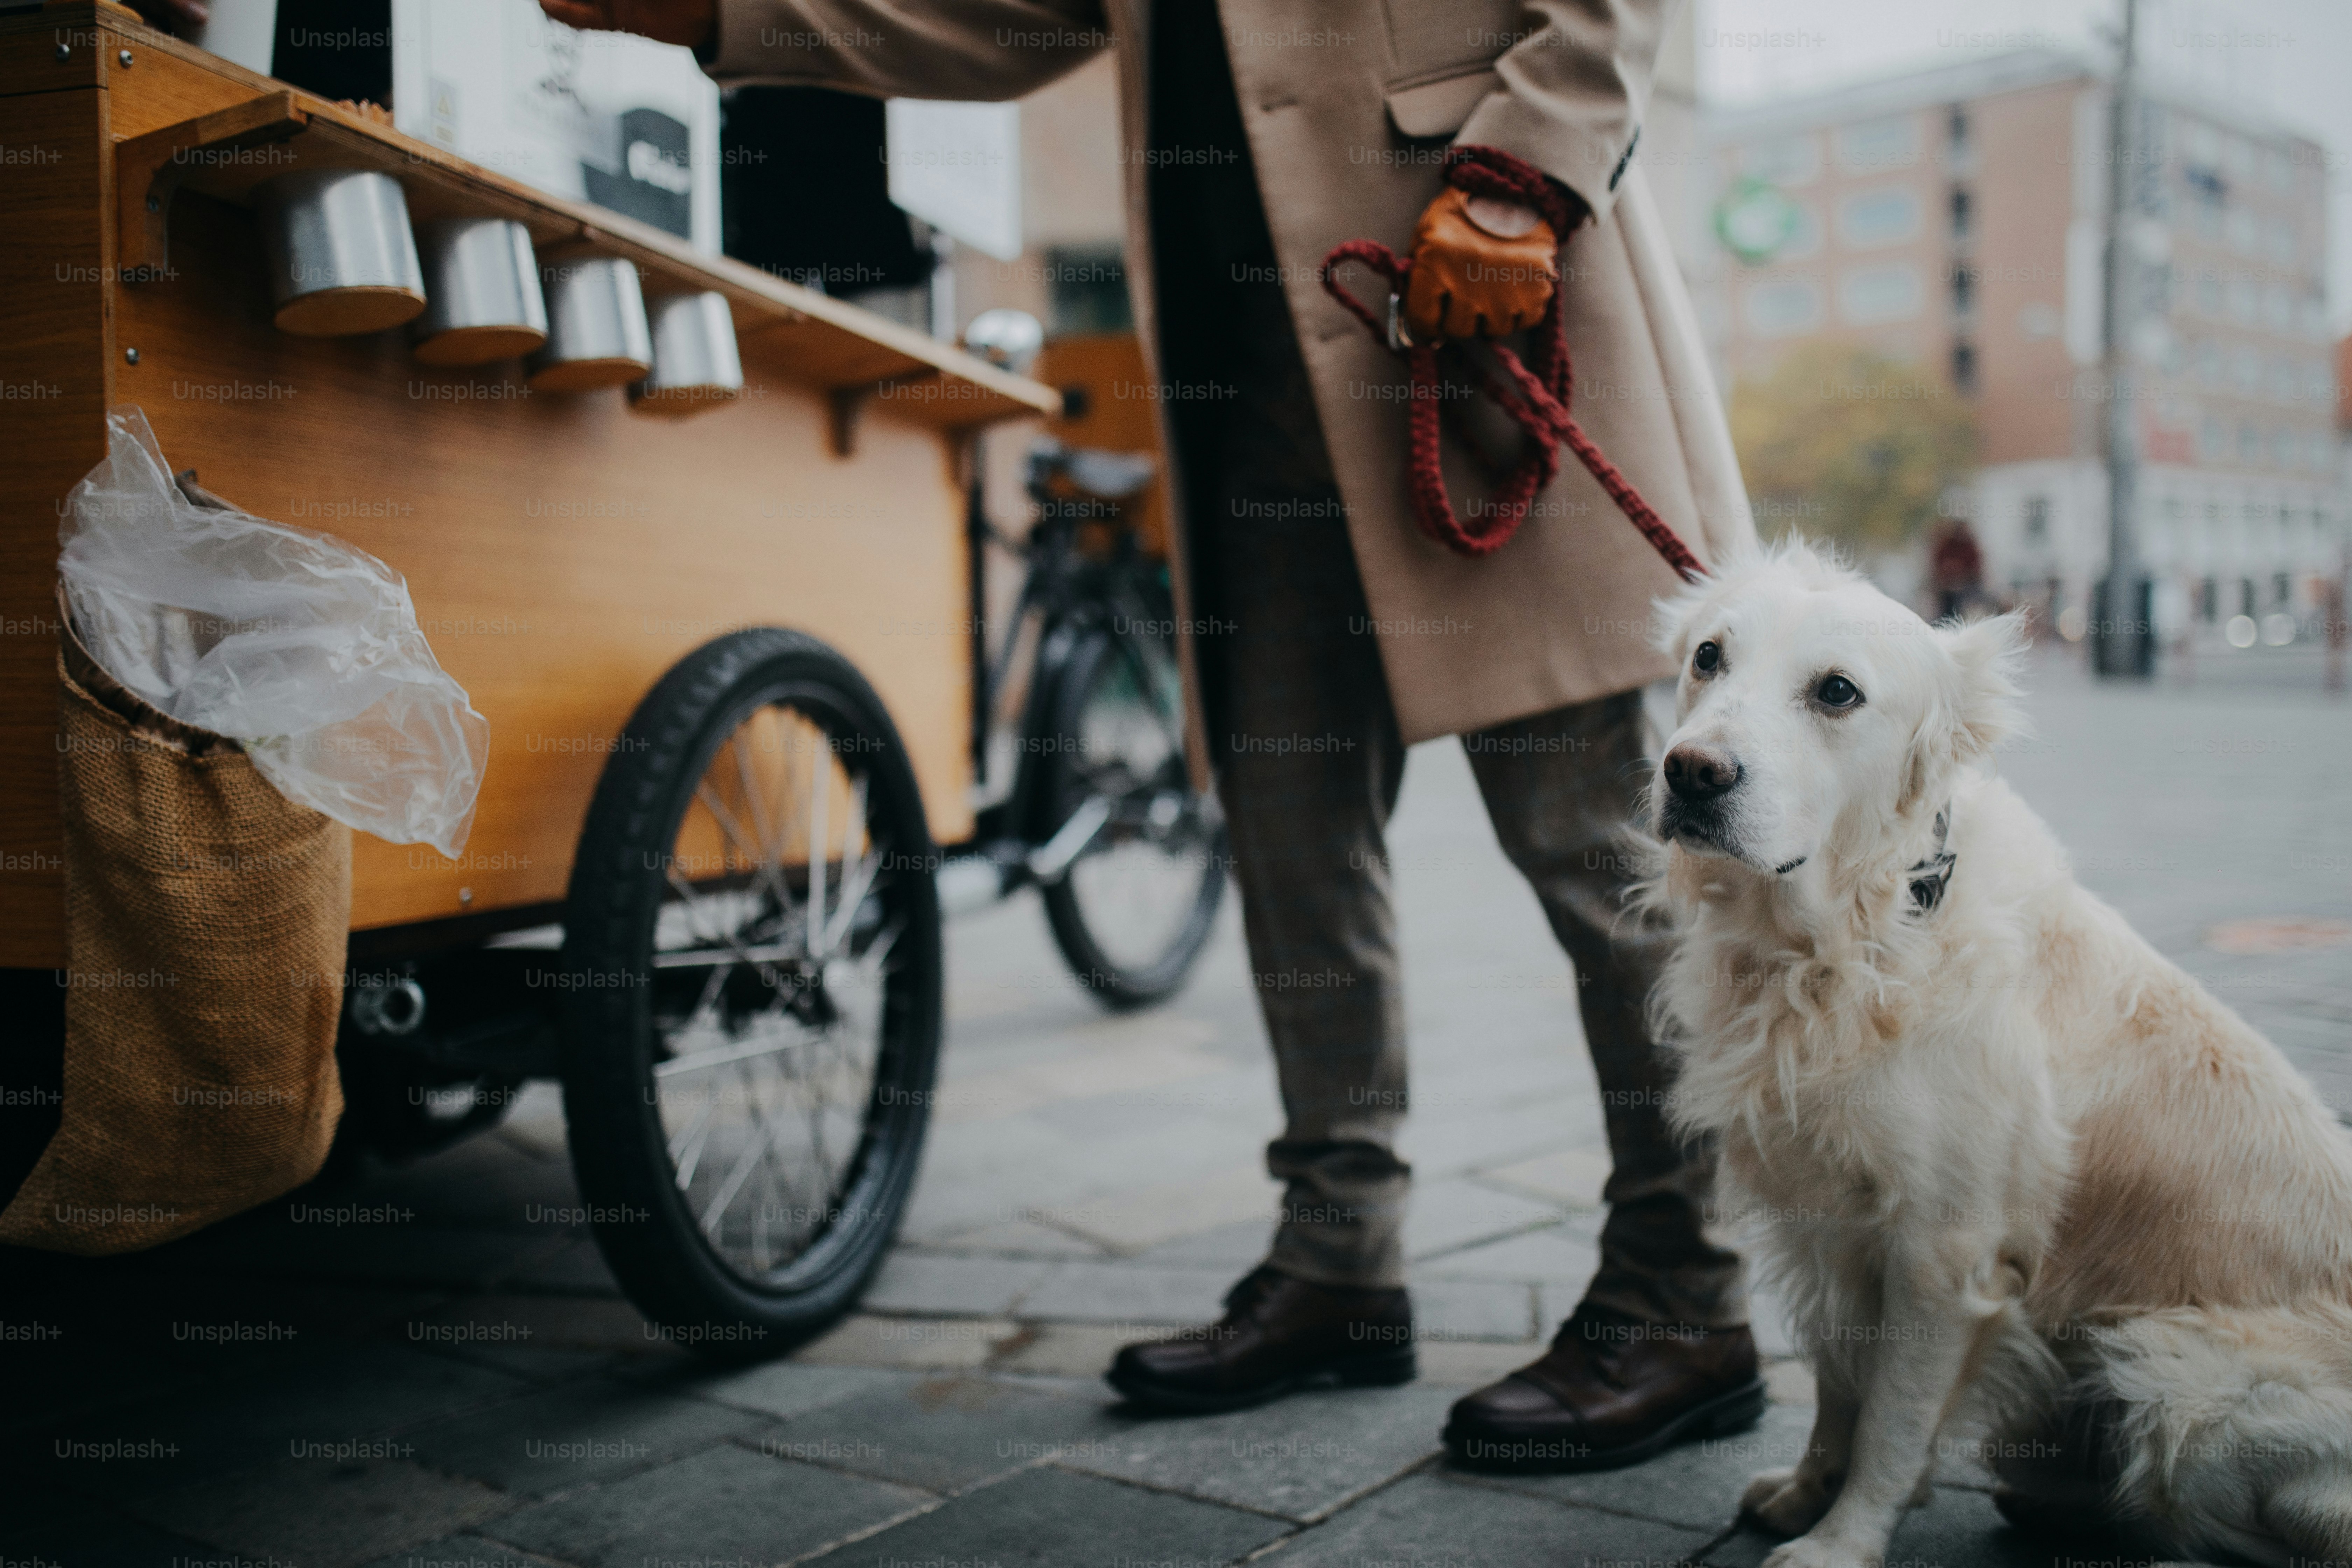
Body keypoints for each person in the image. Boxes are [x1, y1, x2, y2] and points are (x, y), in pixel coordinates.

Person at [546, 0, 1763, 1470]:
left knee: (1599, 854)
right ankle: (1337, 1260)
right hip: (1250, 365)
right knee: (1292, 843)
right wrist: (732, 14)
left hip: (1474, 301)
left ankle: (1682, 1297)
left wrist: (1525, 168)